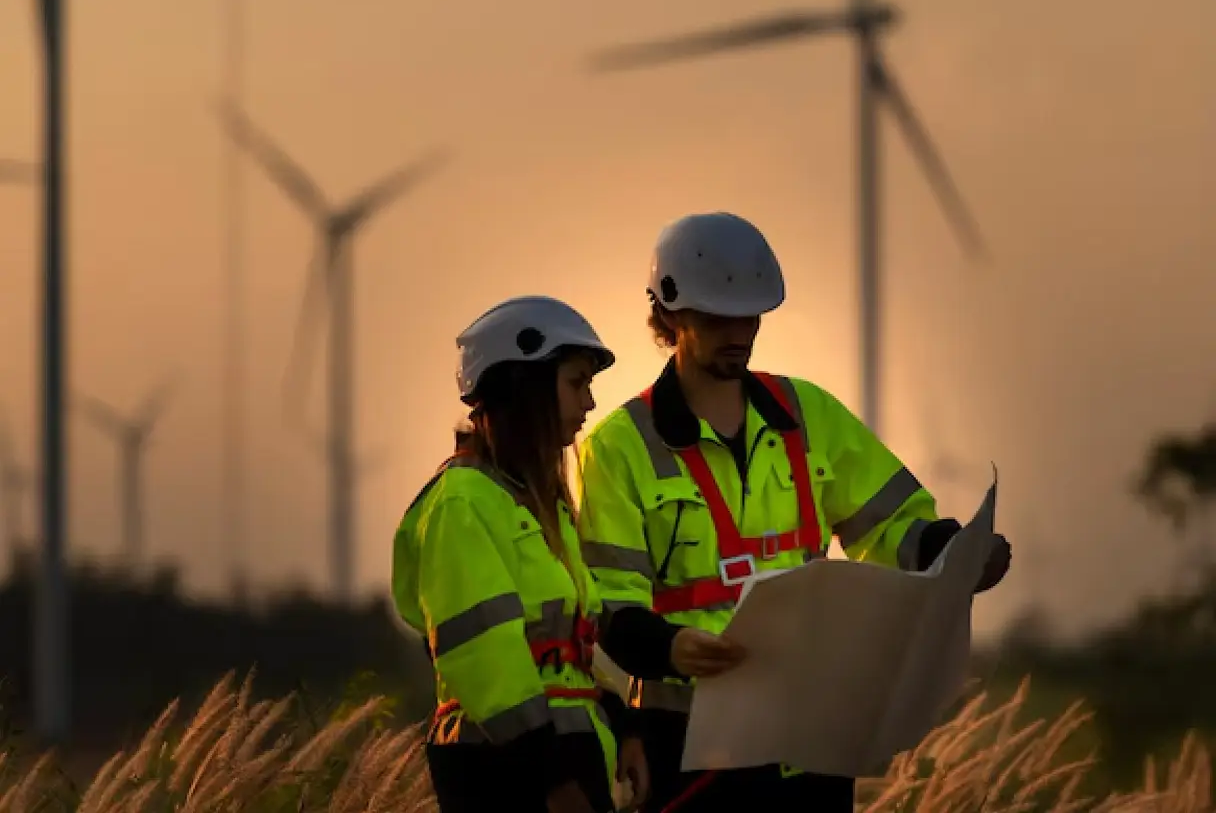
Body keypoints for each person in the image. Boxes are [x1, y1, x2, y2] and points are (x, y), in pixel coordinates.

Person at [575, 212, 1012, 812]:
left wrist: (959, 554)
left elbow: (891, 525)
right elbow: (609, 603)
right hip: (690, 742)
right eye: (718, 317)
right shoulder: (619, 446)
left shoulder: (810, 415)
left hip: (810, 733)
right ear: (671, 316)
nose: (739, 332)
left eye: (750, 315)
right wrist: (671, 646)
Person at [391, 295, 651, 813]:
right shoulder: (463, 505)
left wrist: (624, 727)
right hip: (507, 775)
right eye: (577, 382)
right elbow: (486, 661)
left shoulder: (538, 506)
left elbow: (570, 654)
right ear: (526, 386)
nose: (590, 403)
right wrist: (551, 779)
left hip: (563, 760)